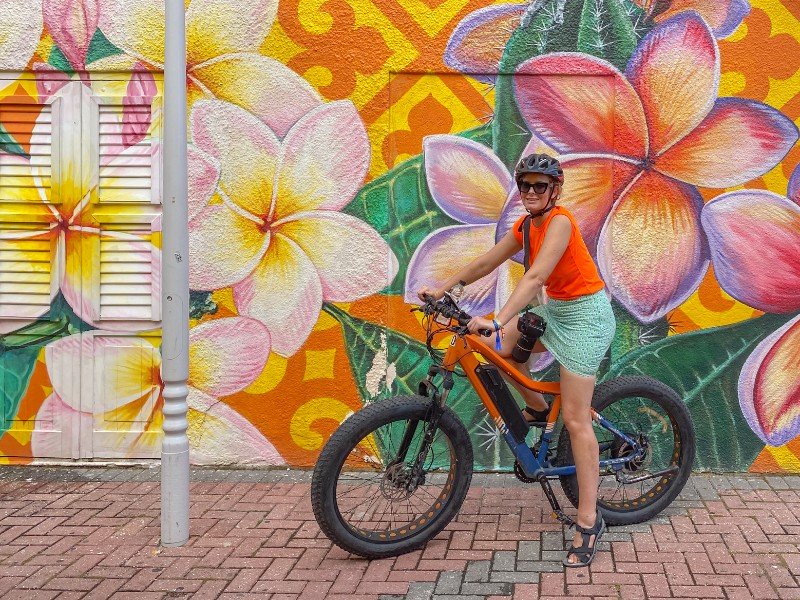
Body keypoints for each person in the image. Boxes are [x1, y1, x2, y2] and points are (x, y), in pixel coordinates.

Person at [417, 152, 616, 567]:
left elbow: (537, 277)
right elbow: (490, 259)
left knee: (577, 420)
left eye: (539, 186)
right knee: (498, 348)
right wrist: (446, 288)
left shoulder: (560, 221)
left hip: (586, 318)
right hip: (558, 311)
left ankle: (588, 521)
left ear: (555, 190)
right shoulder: (526, 225)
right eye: (524, 184)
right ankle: (538, 407)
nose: (530, 192)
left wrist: (497, 318)